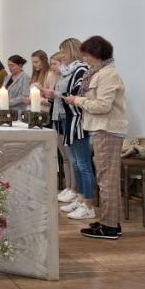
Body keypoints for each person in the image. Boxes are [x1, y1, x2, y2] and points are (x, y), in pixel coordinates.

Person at [66, 36, 128, 239]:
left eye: (86, 55)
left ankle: (109, 227)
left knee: (106, 180)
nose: (85, 59)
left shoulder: (108, 75)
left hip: (107, 130)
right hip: (102, 129)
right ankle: (111, 222)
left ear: (97, 54)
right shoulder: (100, 73)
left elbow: (103, 106)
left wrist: (78, 100)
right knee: (106, 178)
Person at [56, 38, 95, 220]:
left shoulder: (81, 70)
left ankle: (89, 204)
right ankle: (80, 199)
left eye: (64, 51)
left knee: (83, 165)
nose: (62, 55)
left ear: (72, 51)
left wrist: (56, 95)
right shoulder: (69, 71)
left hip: (78, 120)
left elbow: (78, 95)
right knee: (77, 164)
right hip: (68, 119)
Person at [43, 52, 77, 202]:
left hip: (66, 117)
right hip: (57, 117)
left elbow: (67, 97)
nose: (53, 67)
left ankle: (73, 188)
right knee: (64, 157)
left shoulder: (68, 77)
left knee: (71, 157)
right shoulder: (55, 77)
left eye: (55, 64)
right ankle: (68, 187)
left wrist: (54, 95)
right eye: (51, 64)